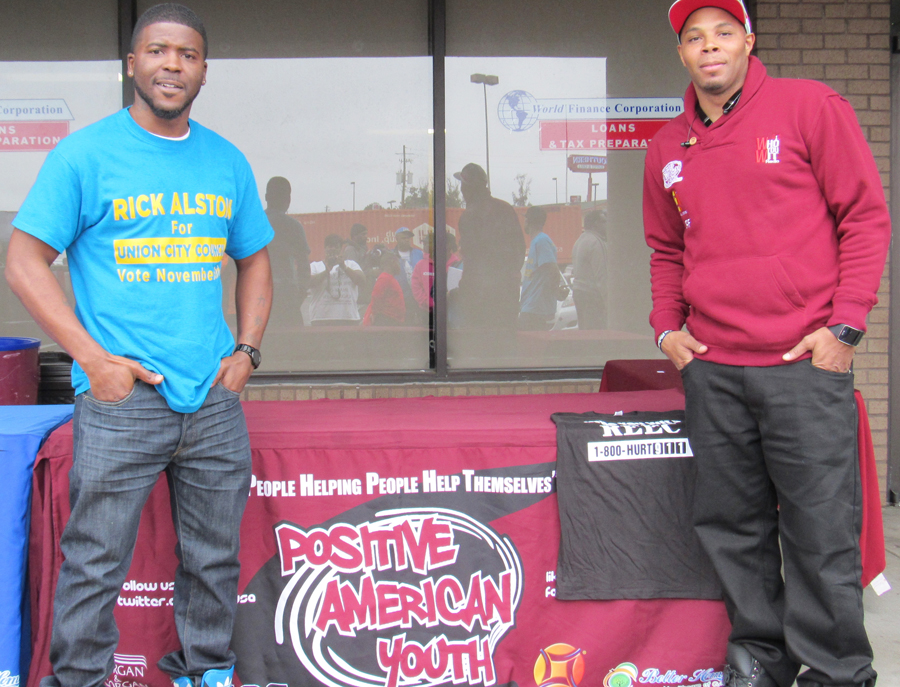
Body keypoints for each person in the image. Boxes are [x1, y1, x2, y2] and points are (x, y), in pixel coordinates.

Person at [4, 5, 274, 687]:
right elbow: (24, 260)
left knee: (214, 560)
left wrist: (246, 352)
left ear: (204, 71)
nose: (171, 65)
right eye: (157, 51)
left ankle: (206, 672)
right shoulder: (84, 155)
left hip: (212, 399)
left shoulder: (226, 161)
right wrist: (92, 360)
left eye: (187, 54)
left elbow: (255, 260)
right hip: (121, 399)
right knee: (95, 561)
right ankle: (79, 679)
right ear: (132, 65)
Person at [643, 1, 891, 686]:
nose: (710, 46)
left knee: (820, 529)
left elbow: (864, 217)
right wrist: (667, 327)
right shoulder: (666, 147)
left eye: (724, 33)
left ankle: (838, 671)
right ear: (682, 54)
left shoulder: (809, 107)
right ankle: (760, 656)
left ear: (749, 42)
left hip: (802, 364)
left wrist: (846, 326)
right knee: (732, 526)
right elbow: (666, 248)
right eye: (695, 37)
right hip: (713, 369)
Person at [454, 163, 525, 329]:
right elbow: (519, 251)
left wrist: (464, 291)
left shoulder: (469, 216)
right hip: (507, 296)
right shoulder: (506, 209)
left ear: (468, 188)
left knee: (480, 343)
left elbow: (472, 261)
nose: (461, 190)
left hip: (480, 300)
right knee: (504, 341)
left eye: (463, 185)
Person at [265, 176, 310, 328]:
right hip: (287, 298)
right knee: (291, 341)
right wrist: (298, 297)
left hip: (257, 297)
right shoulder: (293, 227)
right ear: (288, 200)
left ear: (266, 197)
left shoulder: (250, 225)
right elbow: (304, 267)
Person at [309, 233, 366, 325]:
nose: (333, 249)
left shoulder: (351, 264)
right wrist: (326, 271)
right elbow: (308, 283)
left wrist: (344, 267)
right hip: (321, 318)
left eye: (336, 247)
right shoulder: (315, 266)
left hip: (348, 318)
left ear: (340, 249)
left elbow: (362, 281)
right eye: (330, 246)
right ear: (325, 248)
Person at [518, 206, 560, 331]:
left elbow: (552, 269)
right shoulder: (537, 241)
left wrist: (555, 292)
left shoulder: (541, 240)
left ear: (528, 221)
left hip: (535, 309)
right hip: (531, 307)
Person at [570, 208, 608, 329]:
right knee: (596, 333)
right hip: (592, 296)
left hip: (578, 293)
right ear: (596, 224)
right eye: (604, 221)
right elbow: (602, 275)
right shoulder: (596, 242)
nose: (607, 225)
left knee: (584, 332)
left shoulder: (580, 241)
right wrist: (608, 302)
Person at [363, 251, 406, 326]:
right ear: (392, 263)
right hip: (386, 320)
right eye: (398, 263)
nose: (399, 266)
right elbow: (376, 298)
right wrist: (374, 313)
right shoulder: (384, 278)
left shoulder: (389, 278)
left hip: (393, 320)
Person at [391, 226, 423, 323]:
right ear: (396, 238)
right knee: (404, 324)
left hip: (418, 297)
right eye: (403, 238)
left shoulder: (419, 253)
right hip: (399, 297)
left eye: (408, 238)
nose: (407, 240)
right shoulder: (390, 255)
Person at [342, 222, 375, 314]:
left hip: (365, 296)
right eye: (363, 234)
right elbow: (353, 273)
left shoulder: (362, 249)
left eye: (366, 234)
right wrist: (372, 272)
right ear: (354, 236)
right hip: (357, 299)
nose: (366, 237)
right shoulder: (350, 250)